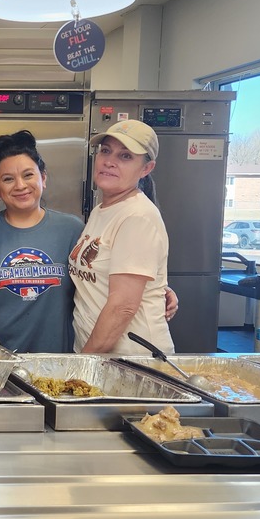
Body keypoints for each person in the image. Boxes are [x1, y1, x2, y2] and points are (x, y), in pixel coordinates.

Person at [0, 131, 85, 353]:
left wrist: (159, 291)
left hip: (56, 367)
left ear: (43, 178)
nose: (20, 185)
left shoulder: (73, 230)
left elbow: (100, 285)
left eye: (28, 175)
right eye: (8, 179)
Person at [69, 119, 174, 355]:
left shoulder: (137, 216)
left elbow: (123, 307)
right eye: (106, 151)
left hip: (131, 359)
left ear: (146, 169)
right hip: (101, 354)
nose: (109, 161)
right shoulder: (101, 211)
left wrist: (82, 365)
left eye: (125, 156)